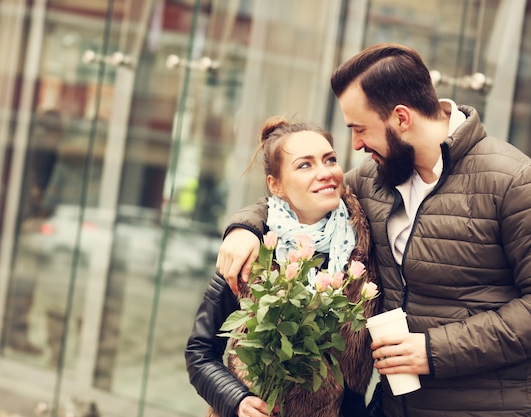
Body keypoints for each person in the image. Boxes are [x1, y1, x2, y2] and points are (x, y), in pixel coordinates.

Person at [216, 42, 531, 417]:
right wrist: (246, 227)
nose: (356, 144)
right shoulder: (376, 176)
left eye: (359, 128)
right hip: (393, 406)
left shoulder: (513, 180)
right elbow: (303, 197)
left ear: (401, 118)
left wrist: (433, 350)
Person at [185, 116, 380, 417]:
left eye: (330, 160)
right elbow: (199, 352)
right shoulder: (252, 251)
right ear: (275, 185)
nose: (325, 173)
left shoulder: (365, 249)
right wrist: (236, 400)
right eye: (305, 165)